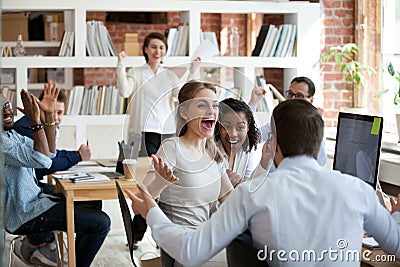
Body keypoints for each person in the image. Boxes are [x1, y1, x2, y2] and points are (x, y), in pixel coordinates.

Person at [127, 99, 400, 266]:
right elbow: (395, 247)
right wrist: (395, 216)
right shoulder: (359, 191)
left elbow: (191, 252)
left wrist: (151, 211)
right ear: (319, 145)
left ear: (275, 144)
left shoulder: (251, 195)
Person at [3, 82, 110, 267]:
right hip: (25, 213)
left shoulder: (12, 135)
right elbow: (44, 162)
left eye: (7, 105)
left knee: (92, 203)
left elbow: (50, 154)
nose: (7, 111)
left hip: (35, 200)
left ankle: (69, 258)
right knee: (101, 223)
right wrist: (36, 121)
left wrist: (49, 116)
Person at [142, 81, 234, 266]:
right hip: (184, 244)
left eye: (215, 105)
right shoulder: (172, 148)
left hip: (208, 238)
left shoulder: (213, 153)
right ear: (184, 112)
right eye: (202, 105)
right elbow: (139, 199)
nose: (211, 111)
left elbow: (231, 200)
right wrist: (160, 182)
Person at [117, 32, 199, 157]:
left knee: (166, 169)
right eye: (153, 47)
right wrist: (121, 65)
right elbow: (124, 91)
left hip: (166, 131)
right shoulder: (136, 73)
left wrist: (192, 72)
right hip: (143, 131)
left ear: (165, 51)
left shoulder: (169, 76)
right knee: (146, 169)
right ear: (146, 49)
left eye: (161, 47)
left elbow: (183, 95)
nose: (157, 51)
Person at [14, 88, 91, 183]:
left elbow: (53, 154)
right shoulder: (25, 128)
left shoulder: (47, 127)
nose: (54, 117)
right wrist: (77, 156)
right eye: (50, 112)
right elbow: (44, 165)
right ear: (40, 107)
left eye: (59, 113)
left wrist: (78, 153)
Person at [249, 76, 327, 167]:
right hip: (275, 177)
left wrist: (316, 125)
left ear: (311, 101)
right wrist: (253, 103)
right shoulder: (280, 120)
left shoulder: (315, 124)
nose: (292, 99)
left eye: (299, 96)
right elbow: (252, 136)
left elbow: (321, 161)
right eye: (290, 94)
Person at [214, 97, 261, 185]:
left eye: (240, 127)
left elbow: (250, 186)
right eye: (227, 127)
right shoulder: (210, 150)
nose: (233, 134)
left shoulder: (249, 149)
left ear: (248, 128)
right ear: (218, 127)